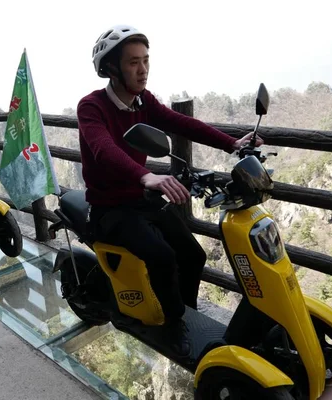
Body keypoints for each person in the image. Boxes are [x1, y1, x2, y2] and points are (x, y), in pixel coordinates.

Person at [78, 25, 263, 353]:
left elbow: (181, 124)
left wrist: (232, 144)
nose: (143, 69)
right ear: (111, 69)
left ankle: (183, 312)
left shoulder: (142, 102)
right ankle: (170, 322)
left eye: (146, 60)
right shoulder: (92, 107)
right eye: (133, 62)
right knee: (162, 256)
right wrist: (145, 176)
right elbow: (103, 148)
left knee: (193, 254)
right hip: (110, 208)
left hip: (140, 200)